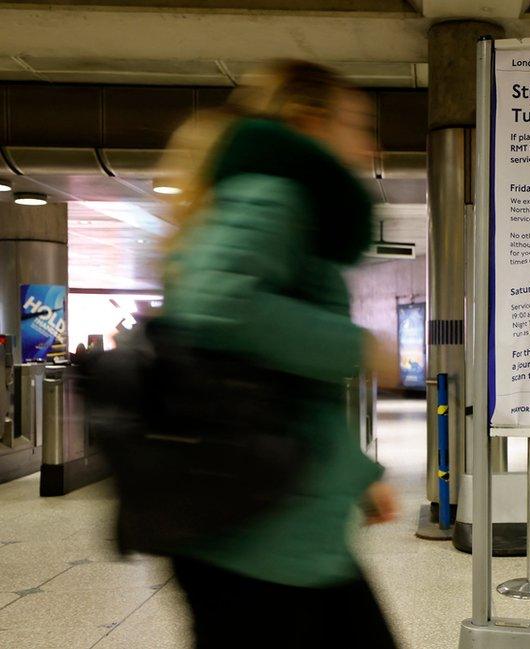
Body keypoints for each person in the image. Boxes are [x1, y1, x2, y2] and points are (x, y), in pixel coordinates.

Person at [157, 60, 398, 648]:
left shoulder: (272, 197)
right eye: (356, 125)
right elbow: (218, 304)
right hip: (257, 534)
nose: (367, 146)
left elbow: (283, 387)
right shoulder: (273, 191)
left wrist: (359, 477)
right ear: (308, 121)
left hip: (277, 517)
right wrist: (357, 345)